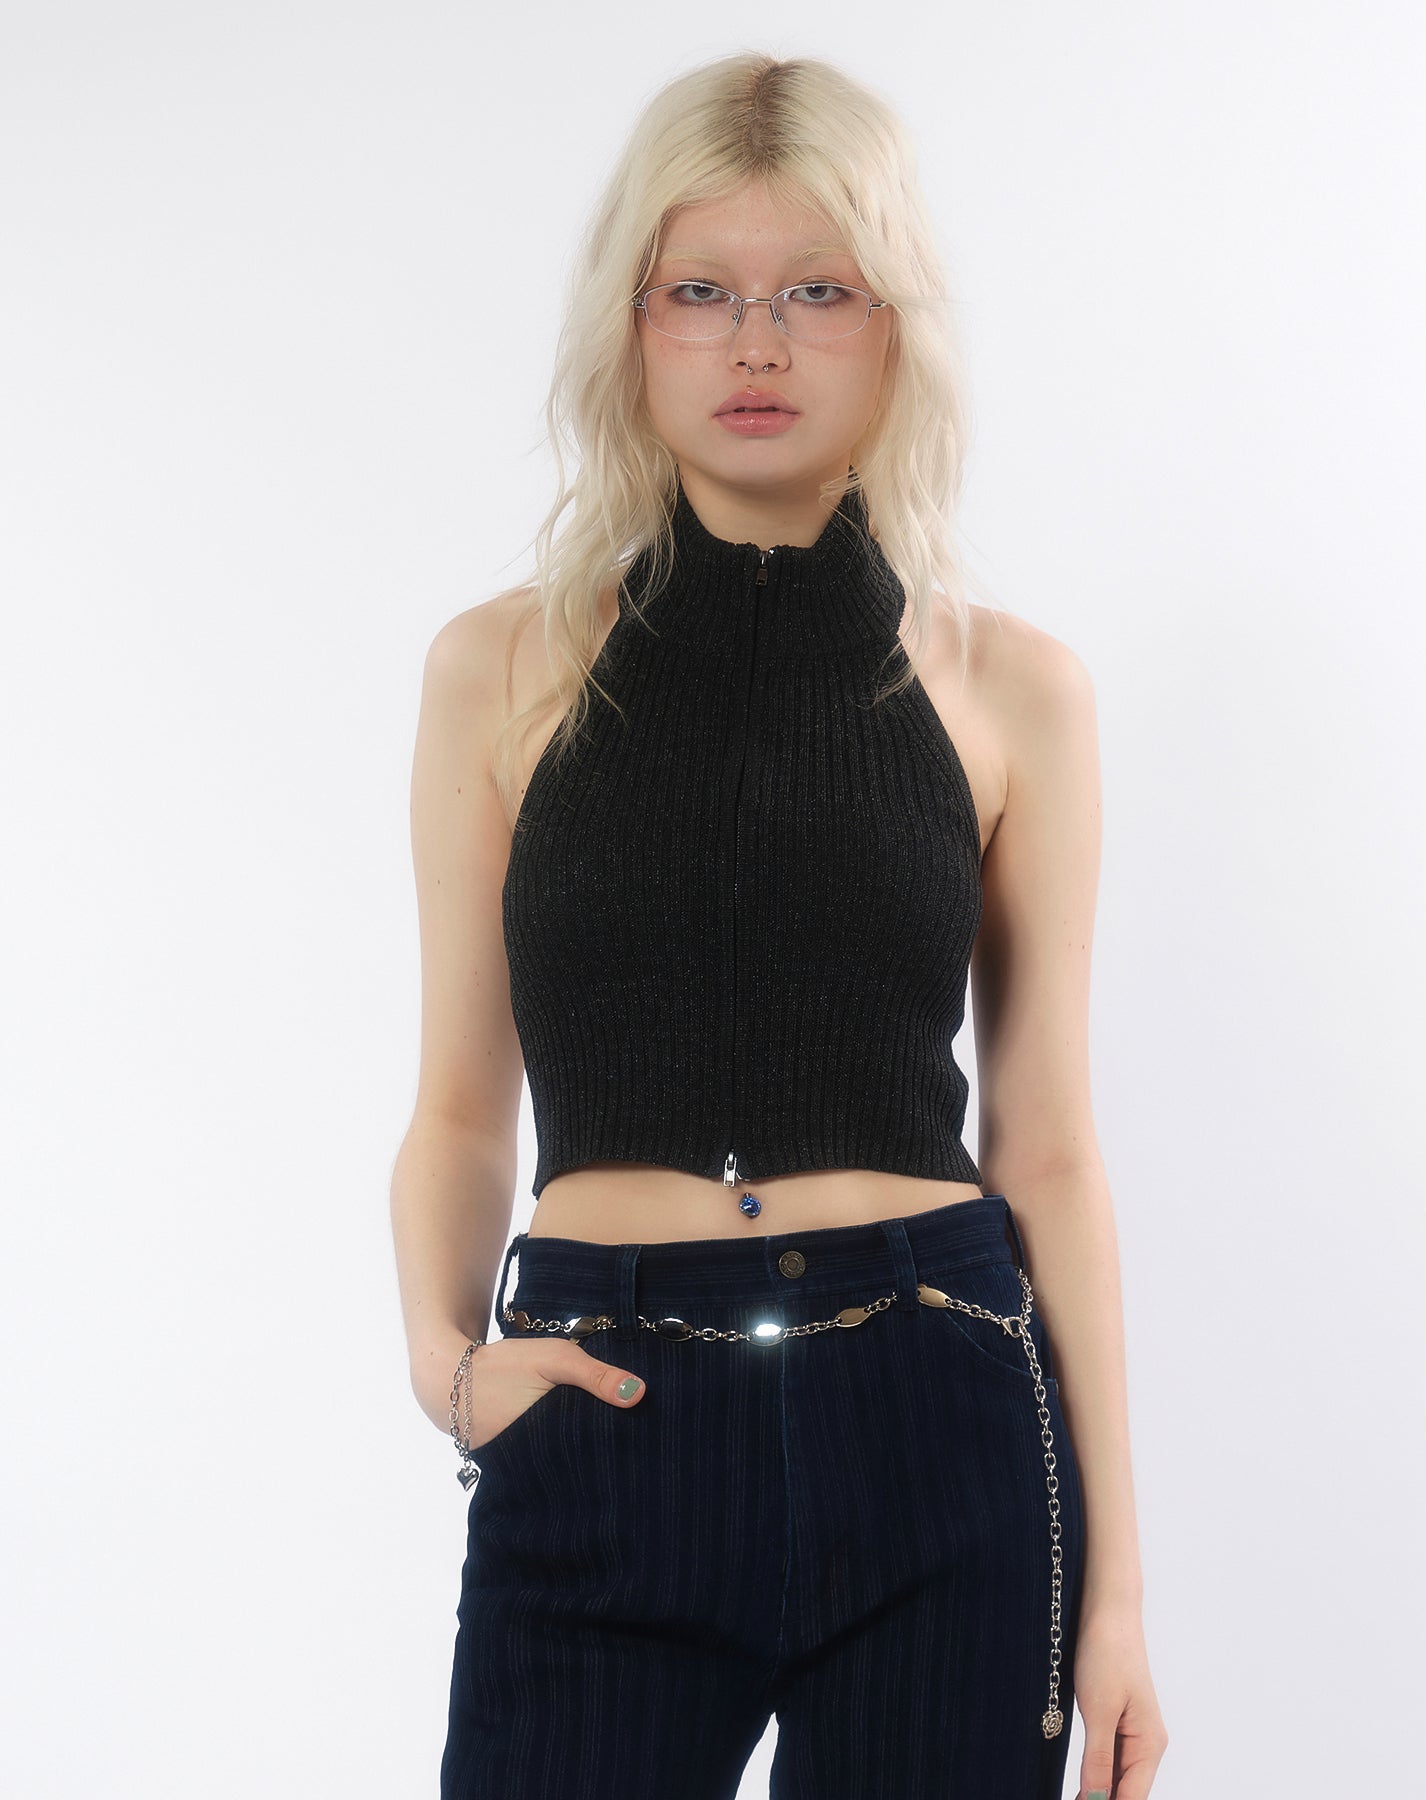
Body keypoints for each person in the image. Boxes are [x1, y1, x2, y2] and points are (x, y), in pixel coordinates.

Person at [390, 50, 1168, 1800]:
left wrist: (1117, 1591)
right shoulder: (498, 673)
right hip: (602, 1409)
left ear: (895, 330)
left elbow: (1050, 1148)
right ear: (632, 325)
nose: (758, 346)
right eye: (703, 294)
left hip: (939, 1414)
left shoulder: (1012, 690)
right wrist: (448, 1368)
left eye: (818, 291)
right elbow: (458, 1107)